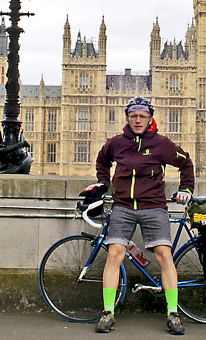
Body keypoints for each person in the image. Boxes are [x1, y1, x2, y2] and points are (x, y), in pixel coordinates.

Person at [81, 96, 195, 335]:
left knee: (164, 256)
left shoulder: (162, 144)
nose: (138, 120)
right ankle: (108, 312)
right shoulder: (117, 143)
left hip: (153, 206)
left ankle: (173, 313)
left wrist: (186, 189)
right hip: (123, 206)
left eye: (142, 116)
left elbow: (186, 164)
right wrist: (103, 183)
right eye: (134, 116)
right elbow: (102, 161)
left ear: (150, 118)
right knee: (114, 254)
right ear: (127, 118)